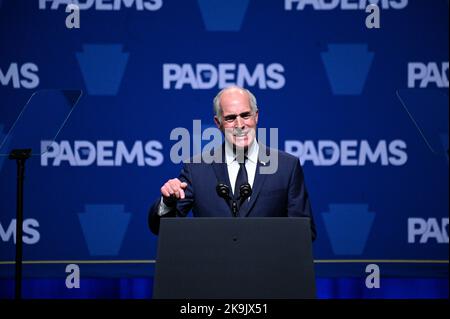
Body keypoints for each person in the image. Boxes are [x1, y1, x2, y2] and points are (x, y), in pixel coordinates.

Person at [148, 86, 316, 240]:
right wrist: (167, 202)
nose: (239, 125)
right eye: (230, 118)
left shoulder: (287, 167)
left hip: (269, 270)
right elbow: (160, 228)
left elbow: (305, 233)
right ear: (218, 123)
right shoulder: (196, 169)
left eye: (245, 115)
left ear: (256, 116)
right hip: (215, 269)